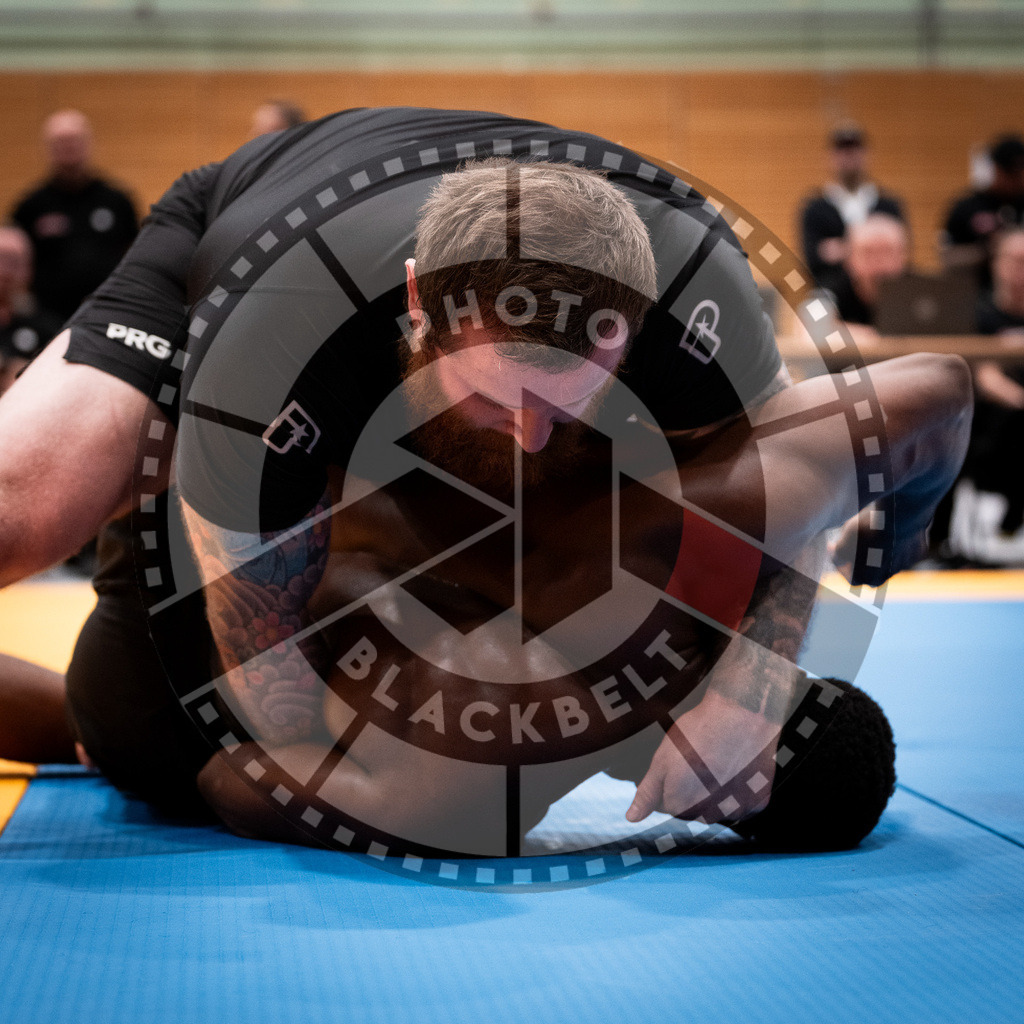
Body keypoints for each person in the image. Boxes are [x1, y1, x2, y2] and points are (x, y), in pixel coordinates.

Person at [0, 108, 971, 855]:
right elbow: (932, 395)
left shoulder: (471, 781)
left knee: (133, 729)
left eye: (560, 406)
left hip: (303, 501)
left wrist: (760, 678)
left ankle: (114, 724)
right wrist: (869, 567)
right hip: (237, 249)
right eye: (494, 395)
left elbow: (230, 767)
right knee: (27, 514)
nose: (526, 431)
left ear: (625, 336)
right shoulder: (474, 776)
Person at [9, 109, 138, 321]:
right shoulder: (31, 206)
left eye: (74, 140)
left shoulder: (117, 201)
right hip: (48, 317)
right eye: (60, 142)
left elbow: (135, 255)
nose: (68, 148)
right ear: (48, 148)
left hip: (108, 312)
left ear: (89, 144)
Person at [962, 228, 1024, 541]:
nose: (1020, 271)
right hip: (997, 422)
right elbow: (987, 378)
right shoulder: (979, 313)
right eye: (1014, 261)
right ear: (997, 264)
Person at [798, 123, 906, 294]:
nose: (849, 155)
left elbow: (901, 258)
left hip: (881, 296)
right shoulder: (814, 208)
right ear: (830, 156)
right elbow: (813, 261)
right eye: (842, 149)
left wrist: (841, 249)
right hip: (832, 297)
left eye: (855, 148)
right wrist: (874, 249)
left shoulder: (889, 205)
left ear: (867, 154)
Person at [942, 133, 1024, 289]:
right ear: (994, 168)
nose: (1015, 181)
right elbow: (947, 258)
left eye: (1020, 174)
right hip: (976, 294)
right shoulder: (967, 207)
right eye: (1009, 174)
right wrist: (988, 250)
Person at [0, 226, 63, 396]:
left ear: (29, 269)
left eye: (13, 262)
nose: (6, 272)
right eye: (1, 260)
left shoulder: (48, 329)